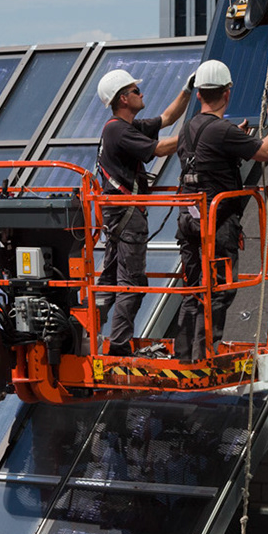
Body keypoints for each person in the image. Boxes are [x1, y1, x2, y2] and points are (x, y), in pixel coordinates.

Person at [175, 59, 268, 361]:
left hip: (188, 219)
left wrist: (233, 136)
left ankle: (184, 354)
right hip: (216, 222)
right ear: (227, 93)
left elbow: (207, 151)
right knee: (218, 290)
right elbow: (265, 150)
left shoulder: (188, 129)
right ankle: (205, 355)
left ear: (199, 94)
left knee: (193, 287)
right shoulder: (222, 131)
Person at [94, 67, 193, 352]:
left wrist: (186, 91)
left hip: (118, 216)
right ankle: (120, 345)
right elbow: (161, 149)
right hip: (127, 217)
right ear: (123, 99)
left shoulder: (125, 127)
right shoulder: (118, 130)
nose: (141, 93)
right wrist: (198, 134)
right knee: (133, 282)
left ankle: (86, 335)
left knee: (111, 279)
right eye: (136, 91)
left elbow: (167, 118)